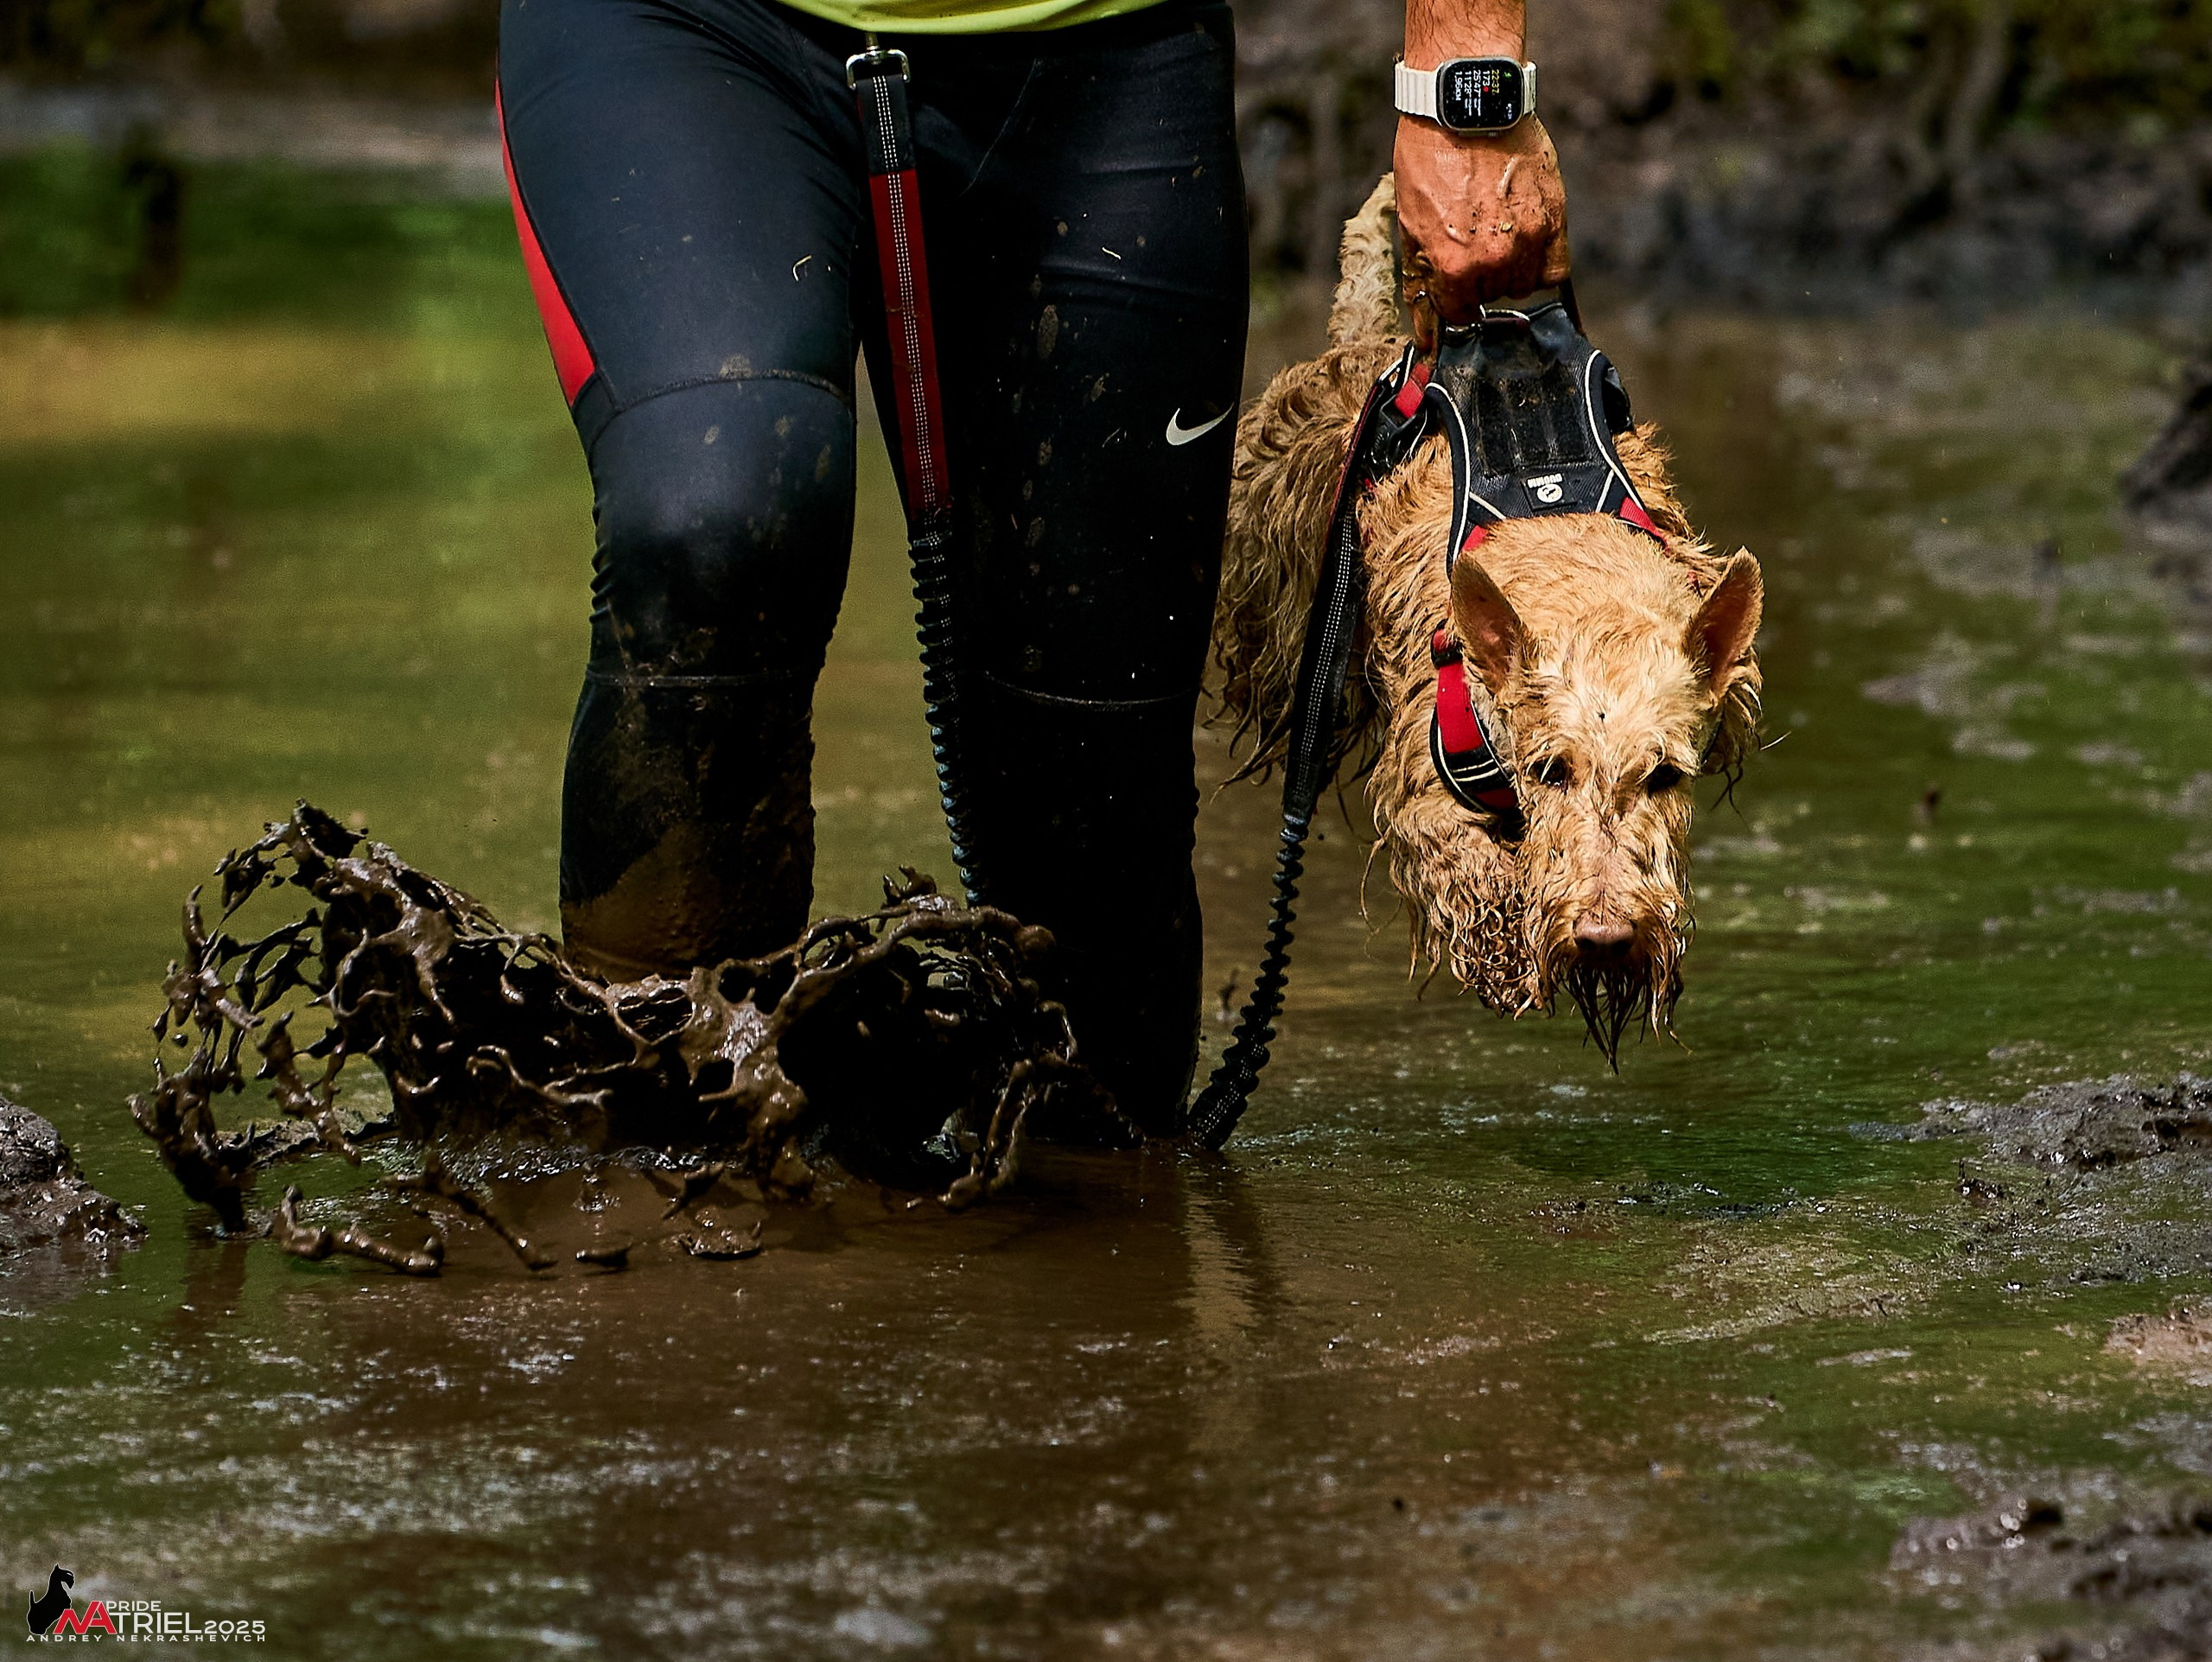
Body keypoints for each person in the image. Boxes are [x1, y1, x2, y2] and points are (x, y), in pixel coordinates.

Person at [495, 0, 1568, 1136]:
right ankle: (653, 1188)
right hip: (684, 34)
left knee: (1090, 808)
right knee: (713, 525)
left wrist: (1468, 84)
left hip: (1103, 66)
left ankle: (1083, 1267)